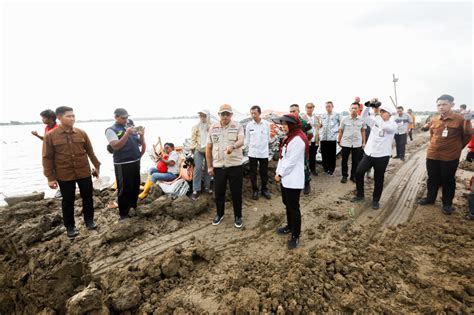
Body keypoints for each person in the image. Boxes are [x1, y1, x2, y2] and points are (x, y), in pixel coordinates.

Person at [42, 106, 101, 238]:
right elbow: (47, 158)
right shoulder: (50, 136)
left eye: (73, 116)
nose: (72, 118)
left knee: (88, 198)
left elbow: (90, 152)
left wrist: (97, 167)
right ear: (59, 117)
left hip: (83, 171)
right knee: (68, 201)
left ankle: (89, 221)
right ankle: (70, 227)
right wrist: (50, 178)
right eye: (68, 116)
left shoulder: (82, 133)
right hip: (64, 174)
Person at [417, 94, 472, 215]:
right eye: (439, 105)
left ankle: (447, 204)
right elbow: (432, 135)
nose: (441, 107)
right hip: (433, 154)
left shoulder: (460, 119)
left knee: (447, 180)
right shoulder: (434, 119)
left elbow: (467, 135)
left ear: (452, 105)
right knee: (432, 178)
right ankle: (430, 198)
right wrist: (434, 145)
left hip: (450, 156)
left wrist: (457, 148)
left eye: (444, 104)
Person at [352, 99, 397, 210]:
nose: (381, 113)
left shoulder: (392, 125)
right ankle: (360, 195)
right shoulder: (375, 121)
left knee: (379, 178)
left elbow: (383, 127)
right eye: (380, 111)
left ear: (389, 114)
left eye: (383, 112)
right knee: (358, 172)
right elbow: (364, 116)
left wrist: (376, 113)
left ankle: (375, 200)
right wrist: (369, 105)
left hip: (382, 156)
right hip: (369, 153)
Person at [273, 113, 308, 250]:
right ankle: (289, 226)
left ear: (293, 125)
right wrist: (278, 172)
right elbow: (283, 158)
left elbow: (292, 161)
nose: (284, 127)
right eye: (283, 124)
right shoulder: (289, 138)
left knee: (294, 207)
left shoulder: (298, 140)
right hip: (285, 179)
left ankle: (296, 234)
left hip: (293, 179)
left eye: (286, 124)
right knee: (287, 203)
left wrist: (280, 174)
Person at [207, 104, 245, 228]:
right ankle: (220, 214)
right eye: (223, 114)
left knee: (236, 193)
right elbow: (208, 148)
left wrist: (233, 146)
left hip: (235, 165)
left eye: (227, 114)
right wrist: (209, 166)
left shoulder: (237, 126)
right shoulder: (213, 128)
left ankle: (238, 216)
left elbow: (241, 141)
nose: (225, 116)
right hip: (218, 166)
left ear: (231, 115)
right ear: (219, 115)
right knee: (219, 193)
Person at [106, 108, 146, 219]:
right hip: (122, 163)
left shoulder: (129, 127)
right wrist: (127, 134)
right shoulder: (111, 130)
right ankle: (123, 213)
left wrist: (142, 135)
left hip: (135, 161)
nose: (125, 119)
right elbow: (115, 146)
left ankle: (133, 206)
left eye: (126, 117)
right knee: (124, 188)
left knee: (135, 185)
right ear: (116, 117)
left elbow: (140, 143)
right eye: (123, 118)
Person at [245, 105, 271, 200]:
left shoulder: (266, 124)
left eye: (255, 113)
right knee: (253, 173)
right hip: (253, 153)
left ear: (259, 113)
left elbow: (268, 138)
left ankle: (264, 189)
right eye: (251, 113)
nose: (253, 115)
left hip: (264, 152)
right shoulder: (249, 125)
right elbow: (247, 140)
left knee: (264, 172)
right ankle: (255, 190)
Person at [338, 103, 366, 183]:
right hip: (346, 143)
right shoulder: (344, 119)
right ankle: (344, 176)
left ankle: (353, 176)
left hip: (357, 143)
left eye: (355, 108)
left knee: (355, 161)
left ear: (358, 110)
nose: (354, 110)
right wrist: (339, 140)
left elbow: (363, 131)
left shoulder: (361, 119)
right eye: (352, 108)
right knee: (344, 160)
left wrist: (364, 142)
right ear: (350, 109)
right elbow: (341, 130)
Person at [289, 104, 312, 194]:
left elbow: (310, 134)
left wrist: (305, 142)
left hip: (302, 149)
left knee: (305, 165)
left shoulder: (304, 123)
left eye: (294, 111)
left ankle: (307, 183)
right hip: (292, 149)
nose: (292, 113)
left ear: (298, 111)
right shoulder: (289, 123)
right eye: (290, 111)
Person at [190, 110, 212, 200]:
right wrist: (193, 149)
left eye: (204, 116)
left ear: (208, 116)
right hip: (198, 149)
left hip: (209, 149)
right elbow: (193, 139)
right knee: (197, 169)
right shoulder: (195, 127)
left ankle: (207, 187)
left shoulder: (212, 126)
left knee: (209, 169)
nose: (202, 118)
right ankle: (196, 189)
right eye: (201, 116)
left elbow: (215, 138)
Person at [319, 101, 341, 175]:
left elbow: (341, 125)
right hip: (323, 137)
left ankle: (331, 169)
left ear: (332, 106)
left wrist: (337, 132)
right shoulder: (323, 115)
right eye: (326, 106)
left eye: (329, 106)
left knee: (331, 154)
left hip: (332, 138)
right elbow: (320, 125)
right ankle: (325, 168)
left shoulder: (337, 115)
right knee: (324, 154)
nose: (328, 108)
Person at [301, 102, 321, 176]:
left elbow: (320, 126)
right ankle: (306, 169)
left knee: (313, 155)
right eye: (308, 107)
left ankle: (313, 169)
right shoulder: (303, 118)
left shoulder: (316, 117)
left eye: (311, 107)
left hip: (315, 139)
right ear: (305, 108)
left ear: (313, 108)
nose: (309, 109)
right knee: (306, 155)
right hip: (307, 139)